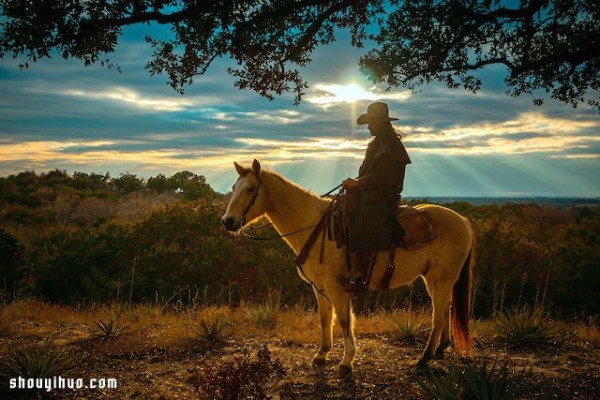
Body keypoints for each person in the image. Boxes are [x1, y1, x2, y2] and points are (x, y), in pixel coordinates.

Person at [339, 102, 411, 293]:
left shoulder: (392, 146)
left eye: (372, 123)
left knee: (363, 221)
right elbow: (369, 173)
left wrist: (358, 183)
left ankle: (359, 276)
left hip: (383, 199)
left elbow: (383, 178)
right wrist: (354, 183)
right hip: (371, 194)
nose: (369, 127)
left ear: (382, 123)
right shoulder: (377, 144)